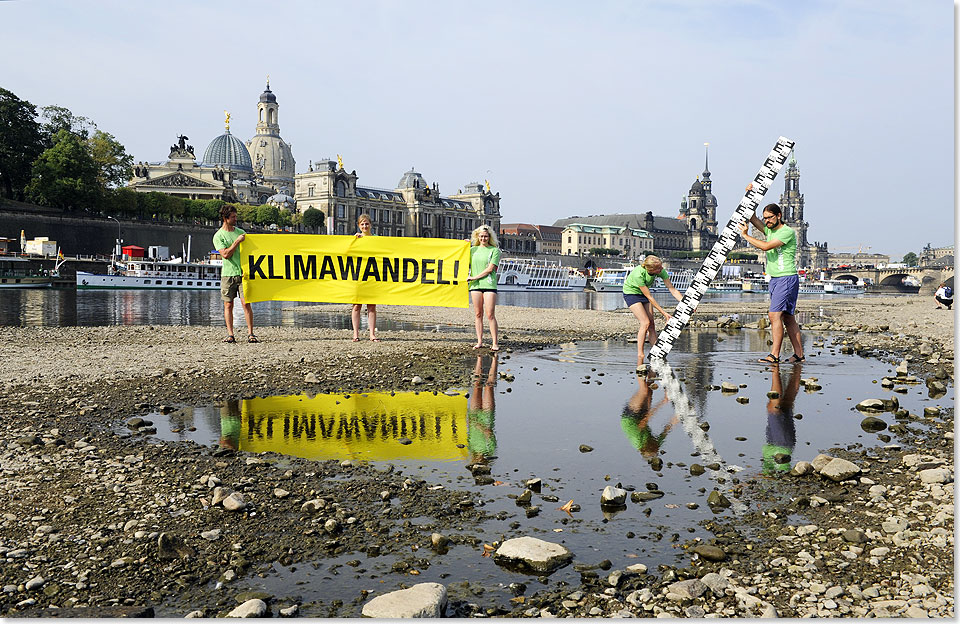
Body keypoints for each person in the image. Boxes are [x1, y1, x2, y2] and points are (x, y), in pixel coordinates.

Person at [740, 183, 803, 364]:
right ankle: (799, 355)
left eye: (769, 218)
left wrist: (745, 236)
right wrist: (750, 194)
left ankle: (774, 355)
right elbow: (751, 216)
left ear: (778, 216)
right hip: (776, 279)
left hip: (786, 278)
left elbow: (766, 246)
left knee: (774, 315)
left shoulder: (787, 232)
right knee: (788, 317)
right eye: (765, 218)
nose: (766, 221)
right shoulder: (769, 229)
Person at [622, 255, 683, 367]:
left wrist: (685, 303)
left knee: (652, 325)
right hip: (631, 294)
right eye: (658, 268)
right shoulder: (638, 274)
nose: (661, 270)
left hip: (643, 295)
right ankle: (640, 355)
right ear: (651, 269)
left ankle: (656, 351)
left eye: (661, 267)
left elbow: (672, 289)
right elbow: (650, 297)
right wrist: (664, 313)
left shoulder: (660, 270)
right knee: (645, 323)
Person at [213, 205, 257, 343]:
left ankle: (251, 333)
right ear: (225, 218)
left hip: (243, 274)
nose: (236, 219)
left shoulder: (241, 232)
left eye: (235, 216)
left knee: (246, 303)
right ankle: (230, 334)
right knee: (228, 304)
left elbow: (250, 252)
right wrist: (237, 241)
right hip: (228, 274)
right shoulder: (218, 236)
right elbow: (225, 254)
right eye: (233, 217)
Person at [620, 368, 678, 459]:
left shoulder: (638, 440)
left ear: (647, 446)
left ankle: (640, 358)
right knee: (649, 389)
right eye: (655, 445)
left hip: (629, 417)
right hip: (640, 418)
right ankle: (653, 367)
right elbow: (666, 429)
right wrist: (678, 418)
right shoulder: (656, 445)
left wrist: (663, 401)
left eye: (653, 444)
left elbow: (647, 418)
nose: (655, 442)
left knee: (644, 391)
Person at [467, 225, 501, 351]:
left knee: (490, 314)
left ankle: (495, 343)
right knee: (478, 314)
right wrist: (463, 246)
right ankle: (479, 341)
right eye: (481, 236)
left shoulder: (495, 251)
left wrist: (474, 277)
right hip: (475, 286)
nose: (483, 238)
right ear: (477, 237)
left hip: (488, 284)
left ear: (489, 237)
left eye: (486, 236)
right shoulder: (472, 250)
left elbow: (490, 269)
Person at [762, 363, 800, 475]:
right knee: (774, 407)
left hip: (782, 445)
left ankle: (795, 370)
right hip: (779, 445)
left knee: (786, 404)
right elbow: (774, 477)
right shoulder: (779, 472)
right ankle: (775, 369)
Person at [351, 214, 380, 342]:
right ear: (359, 226)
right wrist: (354, 240)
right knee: (357, 305)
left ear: (370, 225)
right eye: (362, 224)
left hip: (372, 275)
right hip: (358, 275)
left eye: (366, 223)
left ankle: (372, 334)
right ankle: (355, 334)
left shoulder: (376, 239)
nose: (364, 226)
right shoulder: (355, 239)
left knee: (371, 305)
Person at [466, 355, 498, 465]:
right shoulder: (490, 451)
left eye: (475, 462)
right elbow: (490, 433)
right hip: (486, 417)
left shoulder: (471, 449)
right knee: (489, 386)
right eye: (479, 463)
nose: (477, 461)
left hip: (474, 417)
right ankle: (494, 359)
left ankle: (479, 358)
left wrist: (472, 422)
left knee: (477, 385)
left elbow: (469, 431)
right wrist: (481, 427)